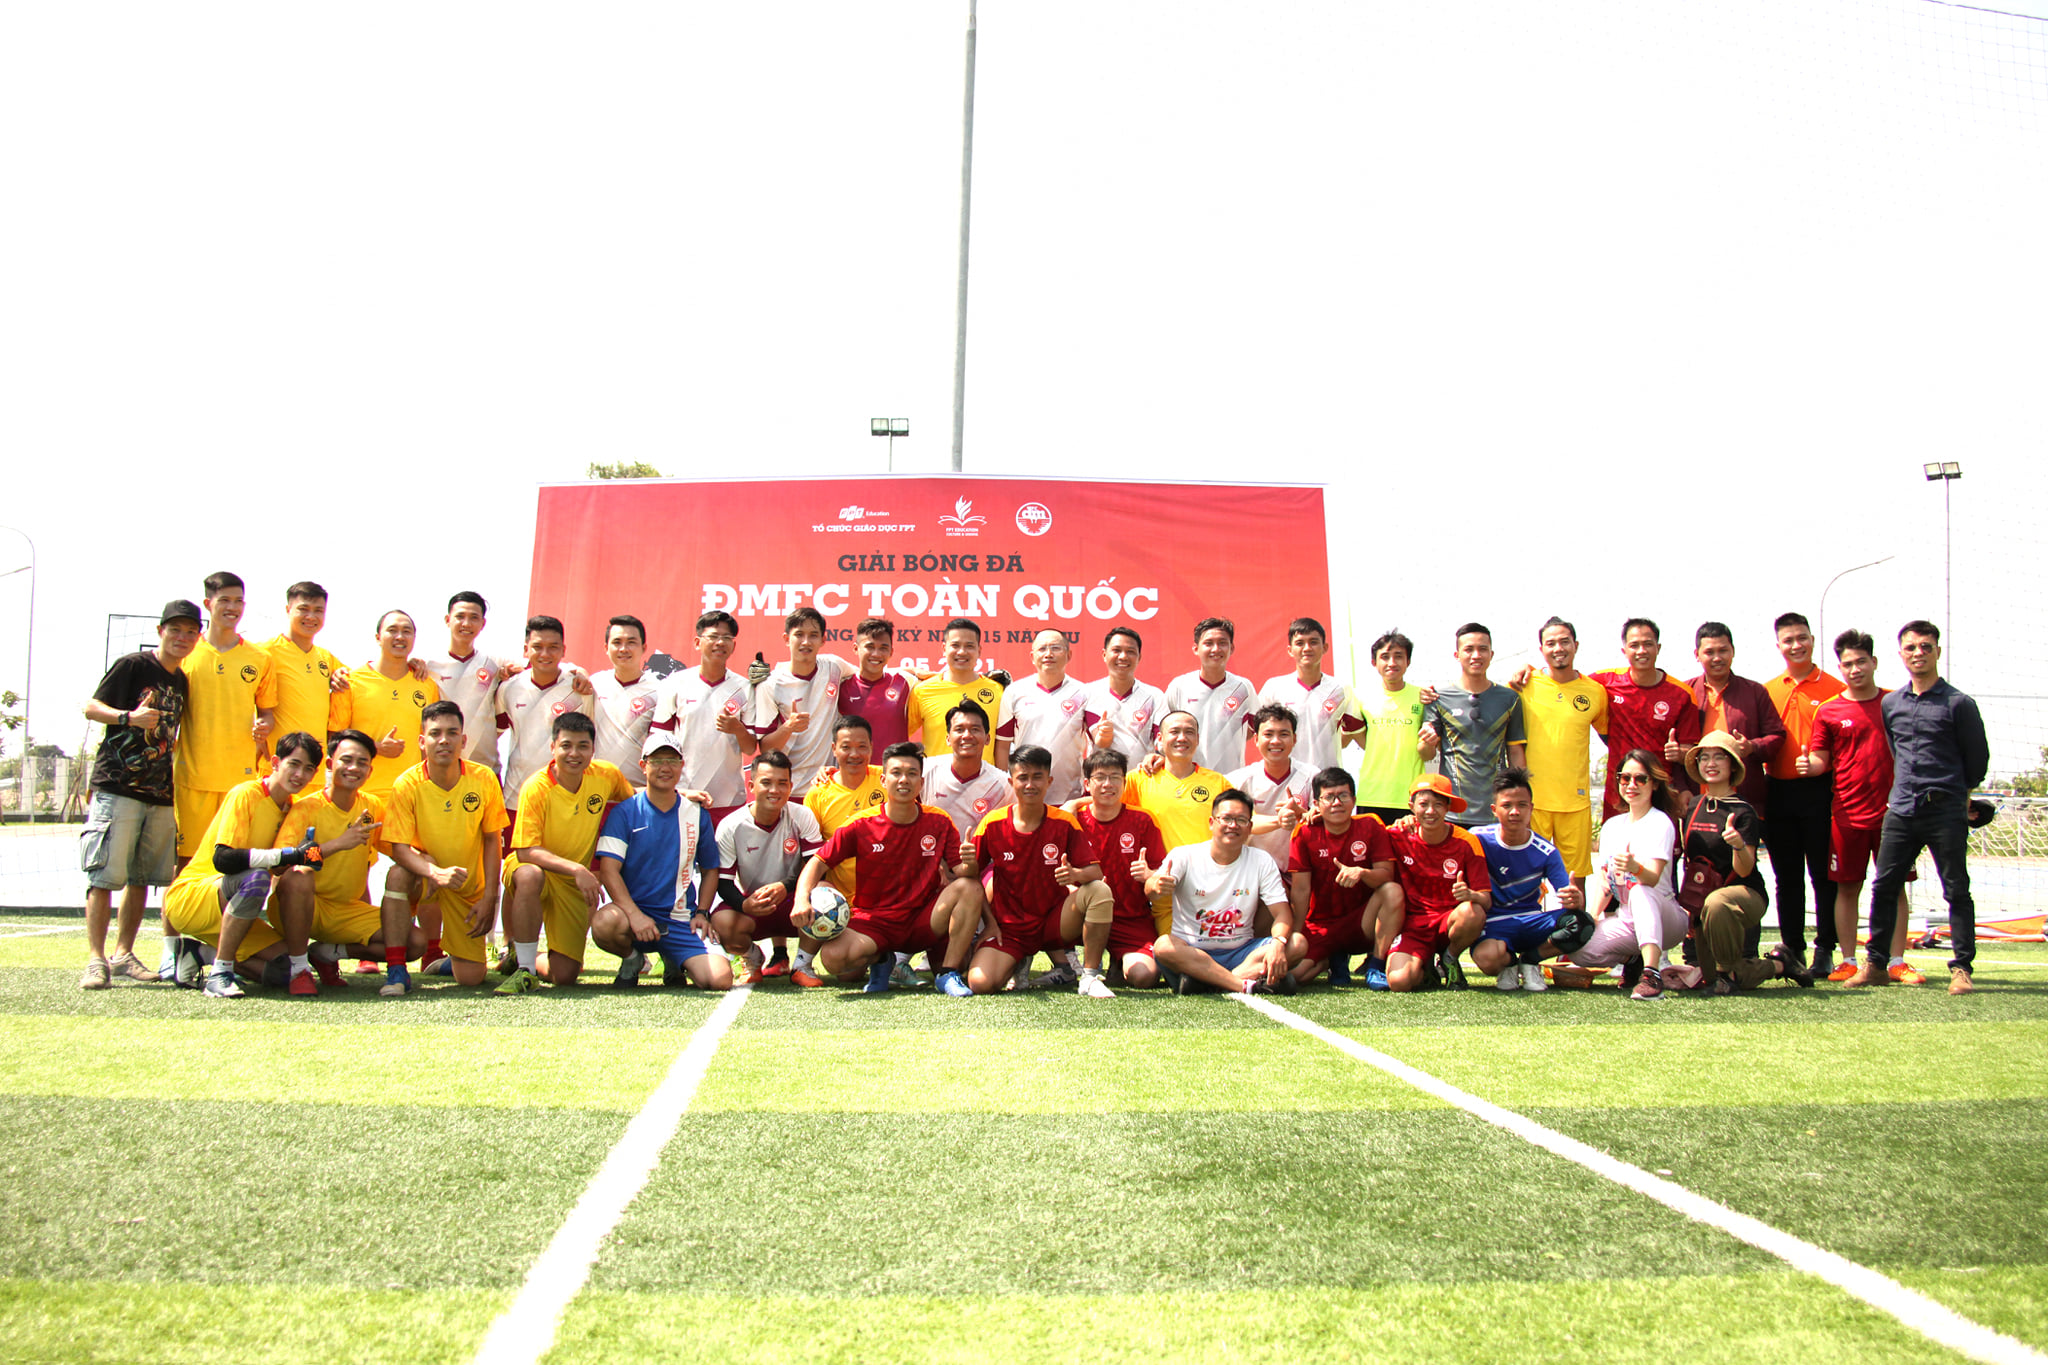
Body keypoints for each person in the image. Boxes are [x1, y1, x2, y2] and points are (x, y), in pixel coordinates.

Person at [1849, 621, 1989, 995]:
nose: (1918, 653)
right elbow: (1896, 752)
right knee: (1884, 886)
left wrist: (1957, 794)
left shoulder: (1959, 704)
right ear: (1901, 654)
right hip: (1901, 809)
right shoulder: (1891, 703)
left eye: (1926, 646)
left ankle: (1961, 969)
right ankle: (1876, 964)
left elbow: (1977, 762)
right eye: (1911, 647)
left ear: (1937, 652)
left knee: (1956, 889)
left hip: (1945, 811)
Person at [792, 741, 984, 995]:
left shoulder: (939, 821)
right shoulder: (861, 824)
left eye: (912, 773)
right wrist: (800, 900)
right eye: (896, 773)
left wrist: (970, 864)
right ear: (883, 780)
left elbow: (962, 873)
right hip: (874, 922)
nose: (904, 780)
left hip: (923, 919)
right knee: (834, 960)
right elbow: (817, 862)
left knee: (970, 887)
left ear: (921, 782)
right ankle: (882, 959)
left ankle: (947, 973)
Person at [160, 732, 339, 997]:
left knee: (285, 970)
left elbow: (283, 865)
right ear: (275, 762)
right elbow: (224, 859)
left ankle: (201, 953)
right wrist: (288, 855)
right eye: (294, 764)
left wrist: (320, 850)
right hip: (194, 898)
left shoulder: (292, 808)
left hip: (235, 905)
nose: (299, 774)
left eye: (308, 769)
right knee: (256, 878)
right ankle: (219, 975)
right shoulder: (245, 793)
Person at [77, 599, 198, 989]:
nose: (182, 637)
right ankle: (96, 960)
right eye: (175, 630)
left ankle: (123, 954)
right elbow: (91, 707)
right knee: (104, 876)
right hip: (118, 786)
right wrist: (128, 717)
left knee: (141, 878)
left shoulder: (181, 680)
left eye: (190, 631)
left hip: (159, 791)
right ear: (160, 631)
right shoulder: (133, 665)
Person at [498, 711, 638, 993]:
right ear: (553, 747)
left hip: (572, 883)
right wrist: (577, 869)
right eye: (566, 746)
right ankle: (525, 970)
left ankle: (521, 957)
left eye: (582, 746)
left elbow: (638, 801)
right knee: (529, 875)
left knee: (564, 975)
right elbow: (525, 852)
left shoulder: (606, 775)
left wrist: (681, 795)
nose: (574, 754)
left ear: (593, 749)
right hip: (538, 868)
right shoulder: (536, 787)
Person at [1806, 630, 1916, 983]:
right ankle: (1848, 960)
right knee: (1847, 887)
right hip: (1847, 815)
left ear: (1874, 663)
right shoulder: (1829, 710)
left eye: (1861, 662)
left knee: (1895, 888)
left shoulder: (1896, 703)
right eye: (1848, 664)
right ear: (1840, 668)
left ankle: (1896, 961)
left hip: (1894, 816)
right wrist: (1809, 766)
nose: (1855, 669)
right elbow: (1820, 759)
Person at [271, 728, 418, 987]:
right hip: (304, 906)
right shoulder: (305, 807)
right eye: (346, 760)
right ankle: (299, 969)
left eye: (362, 763)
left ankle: (328, 953)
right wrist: (338, 844)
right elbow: (279, 865)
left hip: (346, 912)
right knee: (298, 877)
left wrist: (429, 864)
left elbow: (397, 848)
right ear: (330, 764)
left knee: (415, 942)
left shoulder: (371, 807)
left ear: (370, 771)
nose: (353, 768)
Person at [379, 701, 509, 995]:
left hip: (466, 887)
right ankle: (396, 970)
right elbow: (399, 849)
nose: (444, 740)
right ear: (422, 741)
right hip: (426, 878)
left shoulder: (484, 778)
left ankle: (444, 960)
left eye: (452, 733)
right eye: (435, 733)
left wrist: (489, 897)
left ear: (463, 740)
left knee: (472, 978)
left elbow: (492, 840)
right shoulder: (406, 784)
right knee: (397, 874)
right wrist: (434, 872)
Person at [1674, 732, 1814, 994]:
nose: (1711, 764)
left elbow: (1744, 869)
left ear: (1732, 766)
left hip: (1743, 895)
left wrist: (1738, 844)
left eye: (1719, 757)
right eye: (1704, 758)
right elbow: (1692, 863)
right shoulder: (1693, 805)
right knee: (1709, 975)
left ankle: (1726, 974)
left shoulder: (1743, 811)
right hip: (1705, 899)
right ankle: (1779, 965)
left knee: (1717, 904)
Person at [966, 745, 1113, 995]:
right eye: (1023, 777)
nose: (1030, 784)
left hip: (1054, 922)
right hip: (1009, 929)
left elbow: (1095, 873)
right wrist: (989, 922)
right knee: (980, 983)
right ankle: (1018, 960)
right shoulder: (992, 822)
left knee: (1099, 890)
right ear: (1011, 781)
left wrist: (1075, 875)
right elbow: (970, 878)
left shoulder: (1064, 822)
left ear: (1049, 781)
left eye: (1037, 777)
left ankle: (1089, 977)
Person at [592, 733, 730, 990]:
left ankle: (673, 958)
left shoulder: (696, 813)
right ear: (643, 766)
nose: (665, 767)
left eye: (672, 760)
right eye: (656, 761)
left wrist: (702, 912)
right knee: (604, 924)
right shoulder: (624, 812)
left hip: (680, 920)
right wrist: (634, 915)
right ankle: (632, 959)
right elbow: (609, 871)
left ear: (682, 765)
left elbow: (710, 869)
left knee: (719, 979)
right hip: (633, 918)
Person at [1762, 611, 1848, 971]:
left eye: (1802, 638)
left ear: (1812, 640)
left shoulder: (1835, 688)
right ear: (1778, 645)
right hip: (1777, 792)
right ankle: (1793, 949)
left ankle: (1825, 948)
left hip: (1820, 793)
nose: (1796, 645)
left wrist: (1821, 766)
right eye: (1789, 640)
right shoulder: (1768, 690)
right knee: (1787, 877)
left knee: (1823, 875)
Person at [1146, 789, 1294, 995]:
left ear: (1250, 827)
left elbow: (1282, 914)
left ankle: (1209, 982)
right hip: (1192, 950)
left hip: (1241, 951)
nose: (1233, 825)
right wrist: (1156, 886)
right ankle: (1242, 984)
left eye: (1241, 820)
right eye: (1226, 819)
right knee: (1164, 946)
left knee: (1297, 944)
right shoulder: (1184, 855)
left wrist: (1278, 942)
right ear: (1211, 822)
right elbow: (1151, 889)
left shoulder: (1261, 860)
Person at [172, 572, 275, 869]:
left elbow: (267, 712)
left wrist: (264, 725)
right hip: (192, 779)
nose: (232, 608)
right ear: (208, 604)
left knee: (232, 864)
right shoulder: (186, 653)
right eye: (225, 601)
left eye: (238, 601)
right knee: (186, 864)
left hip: (238, 781)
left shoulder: (259, 658)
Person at [1567, 749, 1686, 1002]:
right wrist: (1593, 916)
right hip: (1628, 917)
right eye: (1625, 778)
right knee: (1579, 951)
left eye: (1640, 779)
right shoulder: (1612, 826)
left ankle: (1651, 974)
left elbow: (1651, 879)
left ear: (1654, 784)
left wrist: (1634, 867)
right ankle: (1633, 959)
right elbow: (1605, 882)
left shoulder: (1660, 822)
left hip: (1666, 918)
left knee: (1640, 890)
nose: (1632, 785)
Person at [1468, 768, 1592, 993]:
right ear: (1494, 810)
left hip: (1532, 922)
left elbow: (1568, 896)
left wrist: (1576, 899)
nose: (1515, 812)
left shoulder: (1546, 851)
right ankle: (1509, 964)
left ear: (1531, 808)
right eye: (1507, 805)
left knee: (1582, 923)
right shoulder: (1476, 838)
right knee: (1488, 960)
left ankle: (1530, 960)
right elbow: (1442, 836)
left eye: (1522, 805)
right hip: (1493, 923)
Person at [710, 750, 825, 987]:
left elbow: (815, 865)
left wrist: (785, 887)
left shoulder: (802, 815)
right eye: (766, 783)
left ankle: (802, 965)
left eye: (782, 783)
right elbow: (723, 882)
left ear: (790, 787)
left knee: (826, 896)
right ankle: (752, 959)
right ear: (751, 786)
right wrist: (744, 904)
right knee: (722, 922)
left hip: (796, 903)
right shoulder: (731, 825)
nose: (775, 790)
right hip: (755, 905)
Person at [1512, 617, 1607, 885]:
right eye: (1551, 643)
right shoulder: (1523, 685)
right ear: (1541, 649)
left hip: (1575, 802)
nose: (1558, 648)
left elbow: (1611, 737)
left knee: (1575, 882)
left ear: (1576, 645)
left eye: (1565, 642)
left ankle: (1575, 916)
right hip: (1533, 802)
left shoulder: (1595, 692)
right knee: (1528, 882)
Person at [1283, 768, 1398, 989]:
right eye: (1329, 797)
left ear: (1354, 800)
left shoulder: (1370, 824)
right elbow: (1300, 890)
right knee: (1294, 975)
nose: (1336, 803)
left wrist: (1361, 873)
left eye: (1343, 796)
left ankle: (1376, 964)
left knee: (1393, 891)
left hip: (1361, 923)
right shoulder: (1305, 832)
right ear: (1316, 804)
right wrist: (1296, 935)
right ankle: (1330, 959)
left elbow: (1387, 875)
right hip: (1320, 925)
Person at [1383, 774, 1492, 992]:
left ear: (1448, 807)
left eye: (1438, 805)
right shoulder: (1396, 834)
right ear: (1411, 806)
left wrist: (1470, 895)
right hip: (1412, 926)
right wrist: (1317, 817)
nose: (1430, 811)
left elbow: (1486, 900)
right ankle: (1426, 970)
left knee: (1473, 912)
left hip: (1449, 923)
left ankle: (1449, 957)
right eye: (1423, 804)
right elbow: (1361, 829)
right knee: (1399, 982)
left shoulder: (1467, 841)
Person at [648, 610, 758, 824]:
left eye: (726, 638)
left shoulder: (745, 688)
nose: (720, 643)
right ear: (698, 642)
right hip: (682, 794)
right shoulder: (676, 683)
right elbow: (658, 740)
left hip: (728, 799)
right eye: (713, 637)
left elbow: (750, 748)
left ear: (733, 645)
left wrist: (737, 728)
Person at [1073, 749, 1167, 994]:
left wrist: (1150, 874)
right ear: (1087, 784)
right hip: (1080, 916)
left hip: (1129, 918)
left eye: (1115, 777)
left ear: (1124, 782)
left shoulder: (1142, 820)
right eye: (1100, 777)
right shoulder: (1074, 820)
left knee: (1144, 976)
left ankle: (1118, 960)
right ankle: (1063, 963)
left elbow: (1159, 871)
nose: (1108, 784)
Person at [1589, 620, 1702, 820]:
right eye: (1634, 645)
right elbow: (1569, 683)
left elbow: (1691, 753)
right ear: (1624, 650)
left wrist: (1679, 753)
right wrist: (1532, 671)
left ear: (1658, 647)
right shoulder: (1605, 681)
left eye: (1648, 644)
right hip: (1620, 790)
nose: (1641, 651)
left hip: (1660, 791)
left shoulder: (1682, 694)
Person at [328, 609, 442, 798]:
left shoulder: (426, 685)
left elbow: (429, 745)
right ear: (378, 637)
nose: (400, 636)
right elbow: (334, 740)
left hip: (409, 796)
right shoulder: (350, 682)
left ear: (414, 638)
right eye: (392, 630)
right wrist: (376, 747)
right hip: (360, 796)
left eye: (406, 631)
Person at [1421, 623, 1526, 827]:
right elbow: (1426, 754)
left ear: (1491, 654)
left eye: (1482, 649)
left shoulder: (1509, 698)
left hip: (1496, 810)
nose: (1476, 655)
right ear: (1457, 655)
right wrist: (1426, 741)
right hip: (1453, 811)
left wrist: (1520, 799)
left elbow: (1515, 752)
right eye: (1469, 649)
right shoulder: (1437, 698)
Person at [1676, 622, 1784, 816]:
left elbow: (1777, 736)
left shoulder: (1755, 692)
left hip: (1744, 802)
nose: (1717, 658)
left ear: (1732, 651)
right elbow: (1674, 752)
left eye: (1723, 650)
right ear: (1697, 654)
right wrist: (1682, 788)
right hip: (1697, 799)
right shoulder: (1684, 694)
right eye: (1709, 652)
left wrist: (1752, 747)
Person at [495, 615, 594, 821]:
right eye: (537, 647)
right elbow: (493, 731)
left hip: (564, 796)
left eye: (553, 647)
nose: (545, 654)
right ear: (526, 649)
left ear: (563, 650)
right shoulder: (508, 688)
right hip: (516, 796)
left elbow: (593, 742)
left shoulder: (580, 690)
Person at [753, 606, 858, 795]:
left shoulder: (833, 666)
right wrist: (788, 727)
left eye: (813, 635)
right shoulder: (770, 685)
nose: (806, 642)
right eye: (799, 635)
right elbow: (766, 748)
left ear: (823, 640)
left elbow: (870, 675)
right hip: (789, 790)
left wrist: (911, 671)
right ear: (787, 639)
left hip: (828, 786)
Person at [254, 583, 346, 775]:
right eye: (303, 609)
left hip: (314, 770)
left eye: (318, 611)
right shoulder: (264, 652)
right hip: (277, 769)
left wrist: (409, 663)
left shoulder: (326, 658)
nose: (311, 616)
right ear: (288, 610)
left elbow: (362, 680)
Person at [422, 591, 514, 775]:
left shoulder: (495, 663)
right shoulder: (428, 665)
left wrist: (575, 672)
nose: (466, 623)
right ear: (447, 620)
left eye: (474, 618)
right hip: (440, 770)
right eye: (460, 616)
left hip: (485, 769)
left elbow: (539, 667)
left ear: (482, 623)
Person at [994, 629, 1092, 804]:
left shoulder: (1083, 693)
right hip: (1025, 795)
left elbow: (1096, 742)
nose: (1048, 654)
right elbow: (1002, 745)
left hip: (1069, 797)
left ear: (1069, 655)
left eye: (1056, 648)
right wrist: (1005, 788)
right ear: (1032, 657)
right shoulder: (1015, 692)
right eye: (1042, 649)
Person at [1256, 617, 1364, 775]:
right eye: (1300, 643)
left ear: (1325, 647)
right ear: (1290, 650)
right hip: (1287, 778)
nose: (1307, 648)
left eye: (1313, 642)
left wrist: (1328, 747)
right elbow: (1259, 733)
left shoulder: (1340, 689)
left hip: (1327, 780)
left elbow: (1355, 732)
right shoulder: (1274, 687)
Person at [1163, 617, 1258, 774]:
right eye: (1208, 643)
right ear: (1196, 648)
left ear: (1232, 648)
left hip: (1230, 778)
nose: (1216, 649)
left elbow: (1257, 728)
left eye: (1222, 643)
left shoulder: (1243, 688)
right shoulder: (1179, 686)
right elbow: (1164, 731)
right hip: (1188, 777)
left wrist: (1229, 739)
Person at [1225, 704, 1315, 867]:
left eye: (1284, 734)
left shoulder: (1311, 776)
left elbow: (1328, 823)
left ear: (1294, 739)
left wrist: (1301, 814)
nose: (1276, 741)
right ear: (1256, 739)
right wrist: (1279, 820)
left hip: (1300, 870)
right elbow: (1232, 823)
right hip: (1253, 870)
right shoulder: (1238, 780)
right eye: (1268, 734)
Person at [1354, 631, 1429, 823]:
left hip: (1411, 796)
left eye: (1398, 656)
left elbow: (1429, 751)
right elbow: (1360, 740)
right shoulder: (1361, 698)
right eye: (1385, 657)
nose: (1392, 663)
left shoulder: (1423, 697)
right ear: (1374, 662)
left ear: (1408, 661)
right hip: (1371, 794)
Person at [908, 618, 1006, 758]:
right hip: (935, 772)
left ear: (979, 650)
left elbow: (1004, 744)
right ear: (944, 649)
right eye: (955, 645)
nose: (961, 652)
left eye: (969, 646)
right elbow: (898, 735)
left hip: (984, 772)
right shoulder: (923, 691)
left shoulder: (998, 691)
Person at [922, 701, 1011, 842]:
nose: (967, 735)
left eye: (975, 729)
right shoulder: (925, 771)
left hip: (979, 856)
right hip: (932, 853)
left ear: (987, 738)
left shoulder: (1004, 785)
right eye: (959, 729)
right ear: (948, 739)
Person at [589, 614, 662, 783]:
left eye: (631, 642)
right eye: (617, 642)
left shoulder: (659, 690)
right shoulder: (594, 684)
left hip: (641, 788)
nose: (623, 649)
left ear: (643, 647)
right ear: (606, 647)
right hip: (599, 786)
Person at [1082, 626, 1167, 769]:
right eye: (1116, 650)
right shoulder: (1088, 693)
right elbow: (1100, 742)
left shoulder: (1154, 696)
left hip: (1142, 777)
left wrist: (1159, 755)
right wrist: (1103, 734)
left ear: (1139, 657)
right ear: (1104, 654)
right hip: (1102, 778)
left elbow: (1162, 740)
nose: (1123, 657)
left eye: (1130, 652)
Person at [836, 617, 919, 754]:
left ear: (891, 652)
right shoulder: (841, 686)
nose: (876, 654)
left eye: (883, 648)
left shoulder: (906, 683)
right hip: (855, 766)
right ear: (856, 648)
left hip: (894, 767)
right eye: (870, 647)